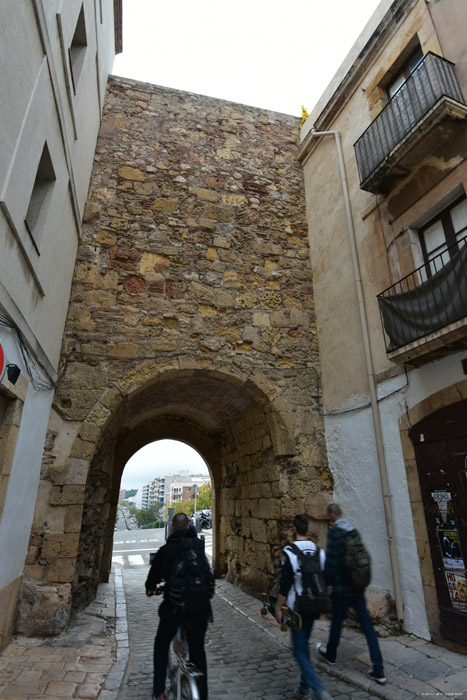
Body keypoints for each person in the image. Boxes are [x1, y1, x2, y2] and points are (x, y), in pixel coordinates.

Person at [146, 512, 213, 700]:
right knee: (198, 651)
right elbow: (207, 576)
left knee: (161, 644)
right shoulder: (198, 548)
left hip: (175, 611)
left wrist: (150, 588)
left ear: (172, 528)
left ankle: (159, 691)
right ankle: (202, 694)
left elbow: (152, 578)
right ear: (189, 527)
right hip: (200, 610)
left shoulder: (166, 551)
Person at [316, 503, 386, 685]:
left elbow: (331, 563)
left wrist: (325, 584)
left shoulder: (335, 533)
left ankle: (330, 653)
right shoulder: (353, 530)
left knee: (337, 622)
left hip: (342, 589)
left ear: (331, 514)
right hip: (357, 587)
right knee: (368, 626)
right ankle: (379, 669)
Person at [275, 514, 333, 700]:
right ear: (307, 530)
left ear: (294, 530)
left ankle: (319, 690)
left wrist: (278, 607)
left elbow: (285, 583)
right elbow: (327, 579)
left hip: (297, 607)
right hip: (314, 605)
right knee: (304, 645)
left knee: (299, 650)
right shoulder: (319, 552)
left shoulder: (290, 552)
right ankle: (303, 689)